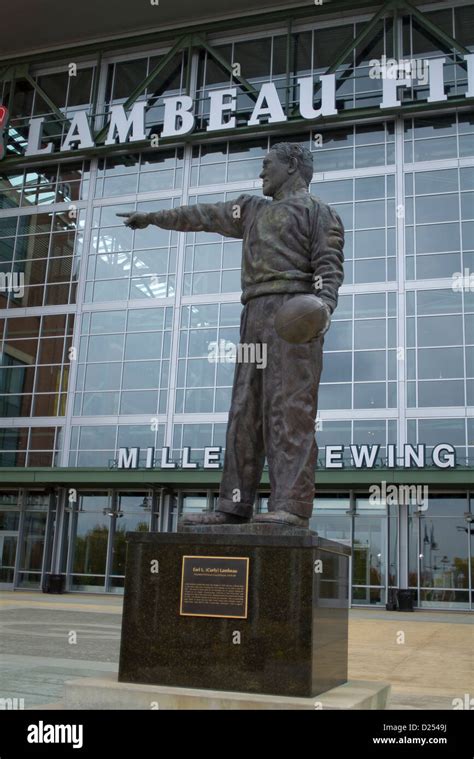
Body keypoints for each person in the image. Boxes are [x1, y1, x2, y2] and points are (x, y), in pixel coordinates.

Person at [118, 142, 344, 528]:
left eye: (267, 165)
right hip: (254, 313)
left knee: (290, 410)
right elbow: (202, 215)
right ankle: (234, 504)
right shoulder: (252, 209)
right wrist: (153, 217)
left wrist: (322, 306)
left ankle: (291, 505)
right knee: (244, 410)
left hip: (294, 316)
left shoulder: (318, 212)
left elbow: (328, 263)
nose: (261, 173)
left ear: (292, 166)